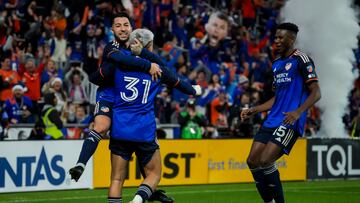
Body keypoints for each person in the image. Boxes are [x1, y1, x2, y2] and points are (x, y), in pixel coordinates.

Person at [106, 18, 200, 203]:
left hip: (120, 127)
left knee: (117, 179)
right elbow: (177, 80)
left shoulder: (119, 62)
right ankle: (138, 201)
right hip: (143, 129)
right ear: (148, 45)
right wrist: (195, 90)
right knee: (154, 173)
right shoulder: (157, 70)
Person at [241, 22, 321, 203]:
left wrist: (298, 112)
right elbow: (277, 98)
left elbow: (316, 92)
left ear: (291, 39)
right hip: (272, 119)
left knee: (266, 160)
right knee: (252, 161)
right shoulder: (277, 64)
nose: (276, 41)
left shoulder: (302, 59)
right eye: (275, 37)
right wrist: (254, 109)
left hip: (289, 121)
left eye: (280, 37)